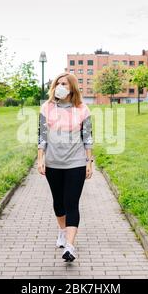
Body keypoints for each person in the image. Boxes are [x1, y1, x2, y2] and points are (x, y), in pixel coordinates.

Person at [37, 72, 94, 262]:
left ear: (72, 88)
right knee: (58, 202)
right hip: (53, 163)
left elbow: (87, 137)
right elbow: (42, 136)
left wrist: (89, 162)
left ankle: (70, 246)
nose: (61, 86)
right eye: (58, 83)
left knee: (71, 203)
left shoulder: (82, 109)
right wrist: (40, 159)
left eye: (65, 84)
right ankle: (62, 231)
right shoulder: (46, 108)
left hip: (76, 163)